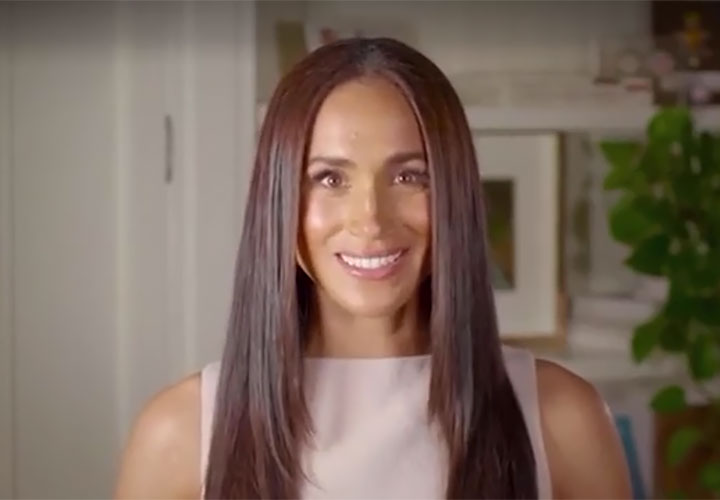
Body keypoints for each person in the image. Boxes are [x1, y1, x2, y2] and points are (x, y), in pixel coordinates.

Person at [114, 38, 632, 499]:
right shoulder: (181, 433)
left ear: (454, 192)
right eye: (329, 179)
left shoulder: (562, 419)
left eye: (409, 176)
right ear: (278, 198)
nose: (371, 220)